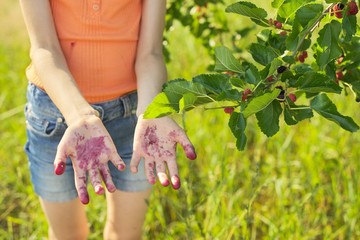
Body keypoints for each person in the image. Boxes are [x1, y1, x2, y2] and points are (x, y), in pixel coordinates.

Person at [19, 0, 197, 239]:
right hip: (56, 117)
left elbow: (150, 53)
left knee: (126, 234)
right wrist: (80, 116)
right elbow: (44, 49)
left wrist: (150, 111)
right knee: (67, 235)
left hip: (131, 117)